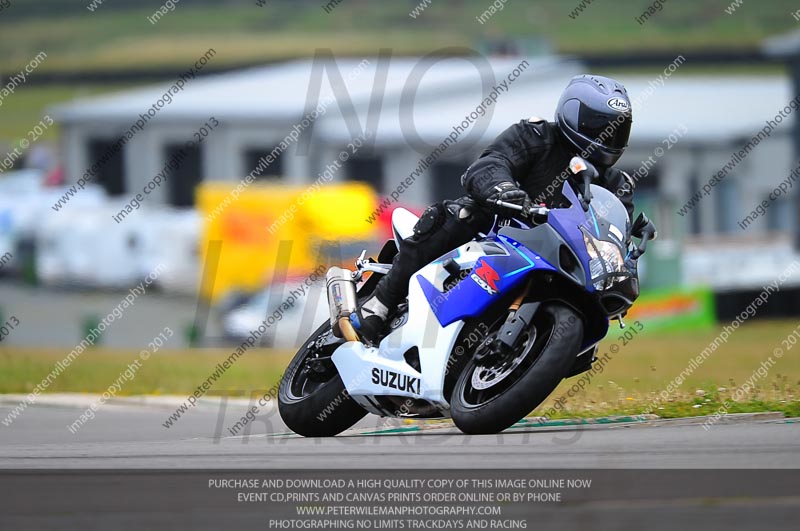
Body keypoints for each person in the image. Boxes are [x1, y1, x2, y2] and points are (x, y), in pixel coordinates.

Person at [353, 74, 637, 343]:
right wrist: (504, 190)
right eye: (598, 128)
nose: (607, 138)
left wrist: (625, 263)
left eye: (616, 130)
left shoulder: (616, 185)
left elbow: (615, 233)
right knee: (460, 215)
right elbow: (491, 164)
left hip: (557, 259)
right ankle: (380, 303)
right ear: (572, 116)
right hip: (496, 230)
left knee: (592, 312)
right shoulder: (535, 135)